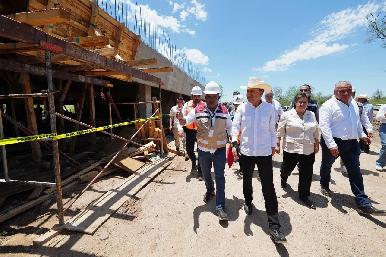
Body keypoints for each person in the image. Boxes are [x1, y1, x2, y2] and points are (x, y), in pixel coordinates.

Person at [231, 77, 287, 243]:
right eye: (247, 91)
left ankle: (274, 226)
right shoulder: (242, 108)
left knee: (268, 187)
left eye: (251, 91)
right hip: (246, 152)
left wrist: (273, 145)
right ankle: (248, 201)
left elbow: (272, 130)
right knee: (247, 180)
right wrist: (234, 144)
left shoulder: (269, 109)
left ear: (261, 92)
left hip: (263, 153)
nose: (248, 94)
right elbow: (235, 127)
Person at [319, 81, 383, 214]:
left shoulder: (353, 103)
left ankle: (363, 203)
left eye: (348, 90)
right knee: (326, 165)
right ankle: (324, 184)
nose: (346, 93)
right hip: (334, 142)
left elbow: (356, 122)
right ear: (335, 91)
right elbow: (324, 127)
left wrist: (362, 135)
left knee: (355, 172)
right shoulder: (328, 105)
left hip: (352, 143)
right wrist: (331, 145)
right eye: (342, 91)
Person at [178, 81, 232, 221]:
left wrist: (233, 143)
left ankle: (220, 206)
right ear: (205, 97)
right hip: (203, 151)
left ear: (218, 97)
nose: (211, 99)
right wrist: (181, 119)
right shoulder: (197, 110)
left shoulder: (224, 111)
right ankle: (210, 190)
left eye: (214, 96)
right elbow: (186, 121)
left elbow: (230, 128)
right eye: (208, 96)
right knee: (207, 175)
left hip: (219, 149)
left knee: (220, 176)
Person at [276, 93, 320, 209]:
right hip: (291, 149)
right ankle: (283, 177)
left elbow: (315, 130)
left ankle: (304, 196)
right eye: (300, 102)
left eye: (304, 102)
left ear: (307, 103)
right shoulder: (287, 115)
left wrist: (317, 142)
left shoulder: (311, 115)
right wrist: (277, 144)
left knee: (307, 174)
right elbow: (280, 131)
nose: (302, 104)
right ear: (295, 103)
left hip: (307, 148)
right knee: (286, 169)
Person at [182, 86, 204, 180]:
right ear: (192, 96)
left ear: (201, 96)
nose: (197, 97)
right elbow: (181, 118)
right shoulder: (186, 105)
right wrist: (180, 129)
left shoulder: (204, 105)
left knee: (201, 152)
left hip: (201, 132)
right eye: (195, 96)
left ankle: (200, 172)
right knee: (189, 150)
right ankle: (193, 161)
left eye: (198, 96)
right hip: (189, 131)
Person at [375, 104, 386, 171]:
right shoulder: (384, 106)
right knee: (385, 144)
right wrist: (384, 115)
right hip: (384, 126)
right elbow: (377, 117)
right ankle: (380, 163)